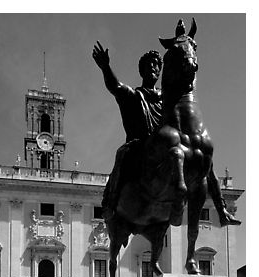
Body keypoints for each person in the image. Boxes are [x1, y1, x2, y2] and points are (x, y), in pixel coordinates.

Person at [92, 41, 240, 227]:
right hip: (142, 143)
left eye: (156, 65)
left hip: (168, 143)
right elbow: (116, 87)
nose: (153, 67)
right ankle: (110, 202)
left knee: (205, 159)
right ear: (142, 71)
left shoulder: (168, 98)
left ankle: (222, 209)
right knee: (122, 154)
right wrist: (105, 67)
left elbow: (186, 89)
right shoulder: (135, 95)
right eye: (149, 65)